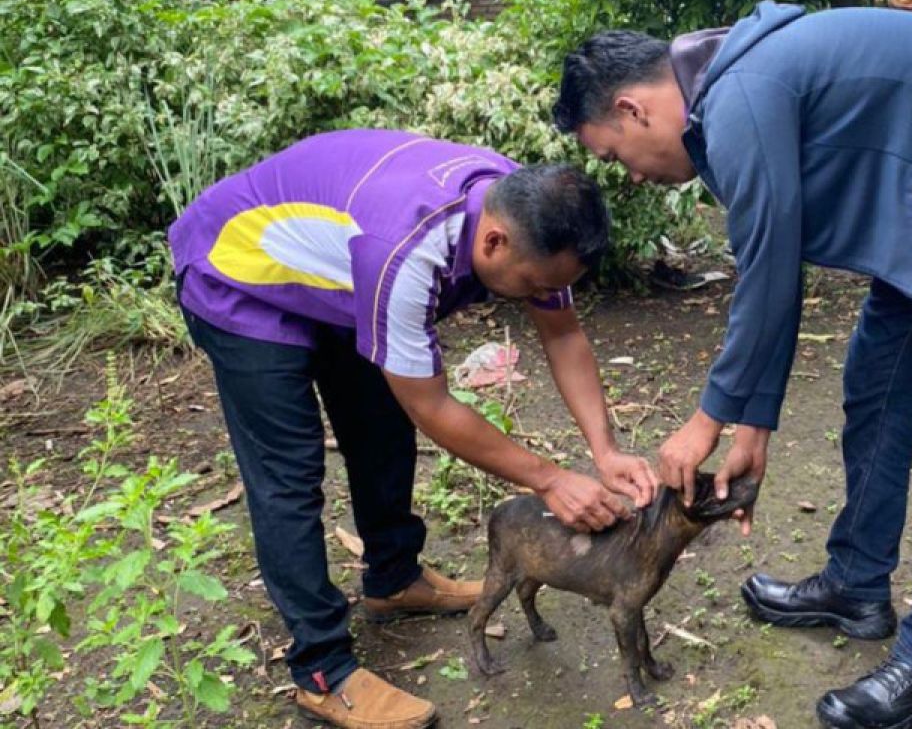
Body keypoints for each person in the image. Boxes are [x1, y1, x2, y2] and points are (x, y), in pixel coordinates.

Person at [554, 3, 912, 729]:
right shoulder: (730, 79)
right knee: (875, 393)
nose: (637, 178)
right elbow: (777, 264)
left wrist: (708, 421)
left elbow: (769, 268)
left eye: (616, 154)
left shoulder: (738, 94)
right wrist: (753, 427)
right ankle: (857, 585)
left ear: (632, 107)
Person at [168, 129, 657, 729]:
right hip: (241, 274)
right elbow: (431, 406)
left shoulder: (525, 207)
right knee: (289, 477)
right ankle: (323, 672)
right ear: (495, 242)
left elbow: (562, 333)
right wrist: (551, 480)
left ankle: (393, 580)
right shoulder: (407, 252)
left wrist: (604, 452)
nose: (541, 297)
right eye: (533, 285)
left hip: (337, 275)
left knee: (379, 425)